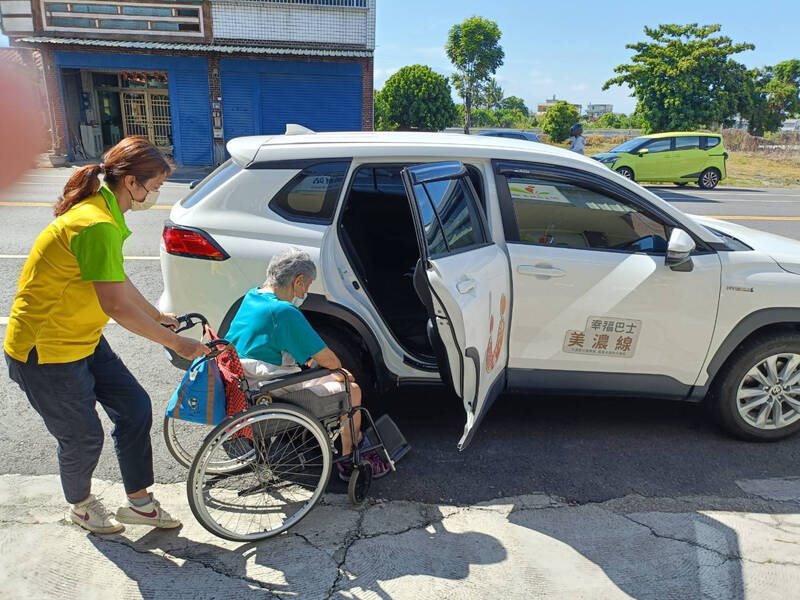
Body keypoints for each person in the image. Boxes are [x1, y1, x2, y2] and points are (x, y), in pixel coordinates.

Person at [4, 137, 209, 535]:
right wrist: (178, 343)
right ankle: (80, 506)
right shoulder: (95, 223)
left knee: (134, 407)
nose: (157, 193)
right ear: (131, 182)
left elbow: (115, 279)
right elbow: (115, 306)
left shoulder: (105, 213)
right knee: (82, 438)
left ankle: (139, 504)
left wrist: (158, 316)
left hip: (82, 338)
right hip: (45, 350)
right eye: (156, 185)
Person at [225, 248, 390, 481]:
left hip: (245, 379)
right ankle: (349, 457)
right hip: (266, 385)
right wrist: (341, 373)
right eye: (308, 285)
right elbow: (329, 359)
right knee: (350, 389)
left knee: (328, 374)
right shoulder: (283, 311)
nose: (306, 291)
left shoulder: (252, 296)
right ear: (298, 280)